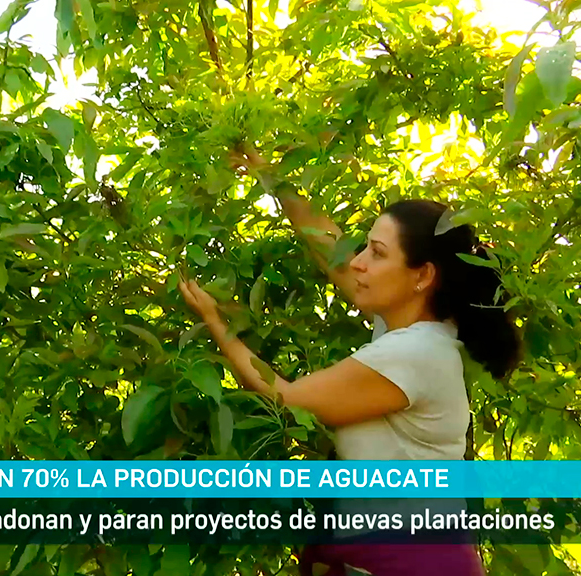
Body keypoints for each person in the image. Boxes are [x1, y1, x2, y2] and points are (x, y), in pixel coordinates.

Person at [176, 152, 521, 576]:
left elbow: (283, 397)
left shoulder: (415, 352)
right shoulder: (418, 327)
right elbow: (332, 251)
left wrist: (214, 321)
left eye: (377, 253)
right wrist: (269, 175)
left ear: (422, 276)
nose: (359, 261)